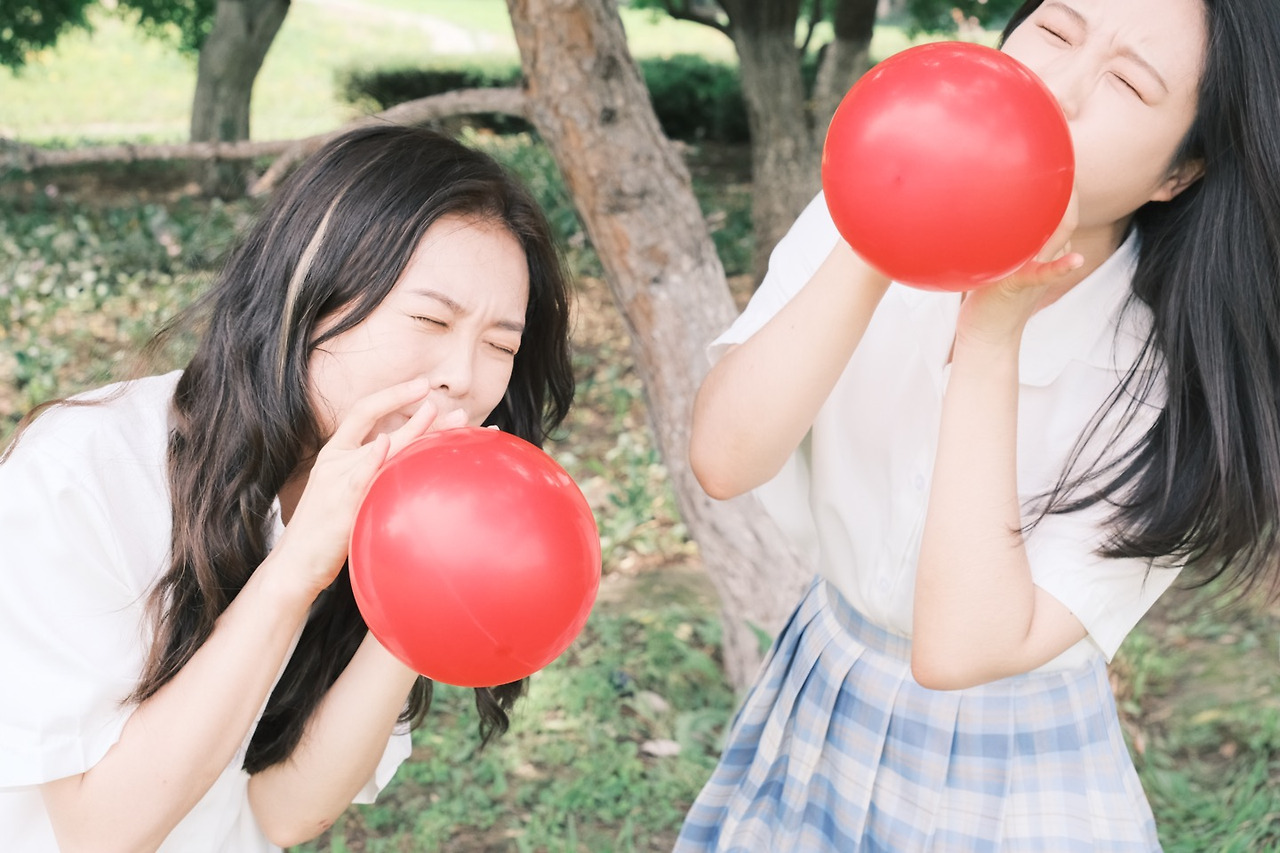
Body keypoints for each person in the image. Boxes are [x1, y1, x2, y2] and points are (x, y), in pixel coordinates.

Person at [677, 0, 1280, 849]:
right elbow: (725, 458)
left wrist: (994, 332)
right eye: (1057, 31)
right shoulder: (865, 199)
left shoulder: (1178, 390)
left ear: (1178, 173)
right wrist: (884, 223)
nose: (1059, 88)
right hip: (824, 680)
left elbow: (960, 651)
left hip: (1008, 766)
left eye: (1128, 83)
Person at [0, 124, 575, 852]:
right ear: (308, 295)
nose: (462, 376)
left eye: (500, 344)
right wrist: (297, 569)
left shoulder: (393, 501)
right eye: (431, 318)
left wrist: (427, 585)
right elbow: (100, 835)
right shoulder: (83, 473)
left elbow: (286, 813)